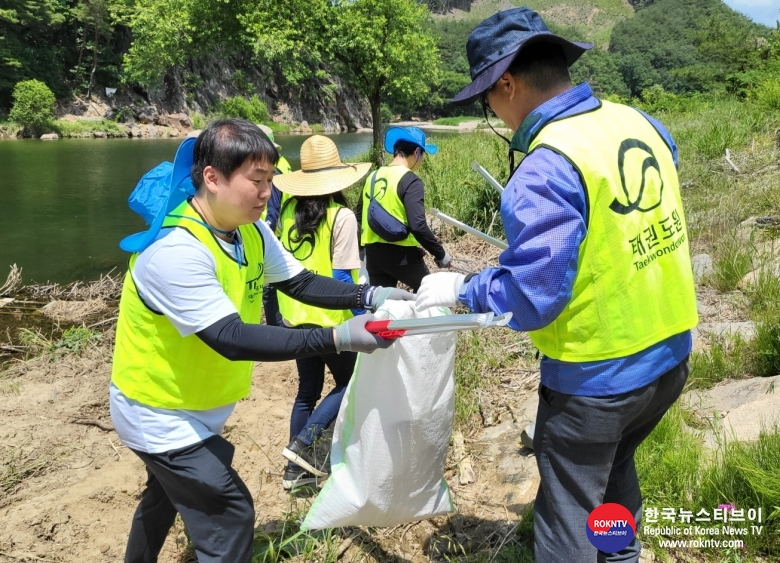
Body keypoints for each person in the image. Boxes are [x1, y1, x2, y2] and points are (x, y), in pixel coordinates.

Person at [415, 8, 698, 563]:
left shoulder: (547, 166)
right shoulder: (637, 122)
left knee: (567, 510)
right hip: (670, 355)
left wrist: (464, 289)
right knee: (614, 470)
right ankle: (620, 555)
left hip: (599, 377)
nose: (492, 110)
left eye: (486, 99)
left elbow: (533, 297)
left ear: (507, 84)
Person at [110, 118, 412, 563]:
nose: (267, 193)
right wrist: (336, 337)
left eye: (271, 180)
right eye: (256, 181)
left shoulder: (249, 230)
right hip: (157, 413)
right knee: (231, 514)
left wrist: (367, 293)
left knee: (165, 497)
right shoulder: (175, 251)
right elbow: (230, 337)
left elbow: (301, 282)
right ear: (211, 178)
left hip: (199, 405)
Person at [272, 135, 367, 490]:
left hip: (294, 316)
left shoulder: (286, 210)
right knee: (350, 383)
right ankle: (302, 447)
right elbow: (342, 277)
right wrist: (362, 313)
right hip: (331, 320)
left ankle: (294, 472)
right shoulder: (341, 216)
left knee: (307, 390)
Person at [355, 127, 451, 292]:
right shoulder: (411, 180)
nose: (421, 161)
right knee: (432, 295)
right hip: (403, 257)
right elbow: (418, 225)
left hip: (374, 257)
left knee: (382, 307)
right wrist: (441, 254)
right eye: (423, 155)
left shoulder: (372, 177)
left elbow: (358, 217)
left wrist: (361, 251)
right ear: (416, 152)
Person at [258, 123, 292, 328]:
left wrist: (264, 236)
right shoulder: (284, 165)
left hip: (272, 235)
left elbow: (272, 210)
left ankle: (274, 328)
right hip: (287, 231)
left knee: (269, 289)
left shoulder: (273, 173)